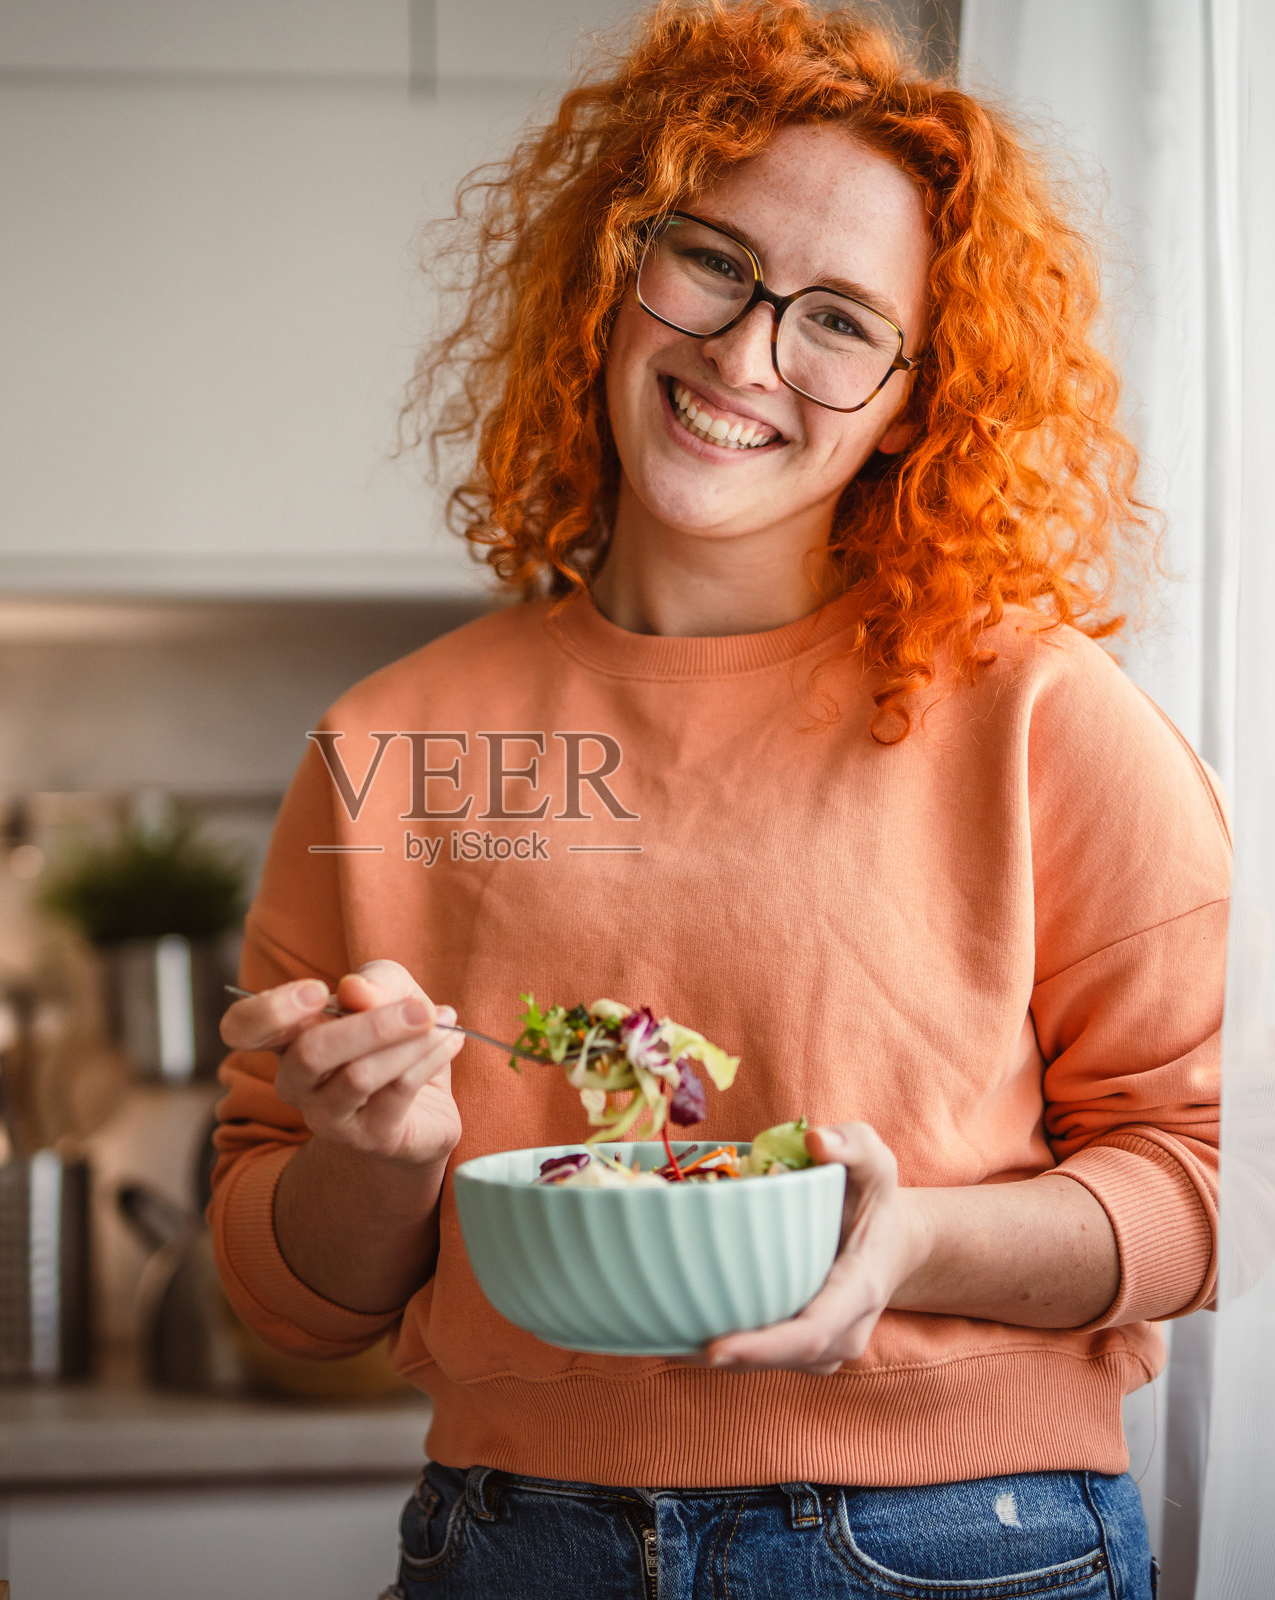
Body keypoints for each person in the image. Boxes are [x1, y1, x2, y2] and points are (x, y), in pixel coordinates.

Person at [211, 3, 1226, 1594]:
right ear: (615, 267)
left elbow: (1200, 1190)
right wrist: (378, 1156)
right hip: (513, 1539)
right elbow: (296, 1294)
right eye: (714, 262)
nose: (748, 355)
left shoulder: (1047, 720)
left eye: (839, 321)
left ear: (915, 394)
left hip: (959, 1547)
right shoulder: (390, 743)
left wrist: (915, 1244)